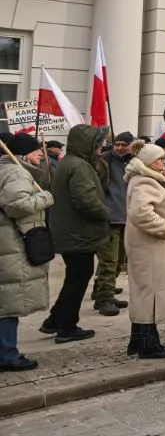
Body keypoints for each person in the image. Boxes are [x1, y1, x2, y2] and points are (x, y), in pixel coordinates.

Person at [42, 124, 109, 343]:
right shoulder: (79, 166)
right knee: (78, 278)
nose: (102, 146)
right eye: (99, 143)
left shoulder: (70, 162)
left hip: (72, 232)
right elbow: (86, 201)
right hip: (78, 233)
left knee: (74, 277)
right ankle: (67, 326)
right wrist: (105, 213)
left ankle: (54, 320)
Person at [123, 140, 165, 359]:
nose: (164, 161)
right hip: (149, 247)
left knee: (147, 293)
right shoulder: (143, 182)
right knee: (149, 294)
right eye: (160, 159)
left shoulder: (154, 178)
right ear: (150, 162)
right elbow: (141, 213)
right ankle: (147, 344)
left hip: (155, 248)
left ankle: (139, 340)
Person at [0, 133, 55, 370]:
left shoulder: (9, 170)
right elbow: (17, 205)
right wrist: (45, 197)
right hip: (12, 245)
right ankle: (8, 354)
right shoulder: (16, 172)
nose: (41, 154)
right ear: (23, 154)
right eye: (36, 151)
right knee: (8, 303)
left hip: (7, 244)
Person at [93, 131, 134, 317]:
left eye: (123, 144)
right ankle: (104, 298)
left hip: (127, 218)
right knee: (109, 260)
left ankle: (102, 290)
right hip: (110, 217)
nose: (119, 148)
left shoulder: (134, 162)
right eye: (117, 144)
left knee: (119, 261)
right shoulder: (104, 160)